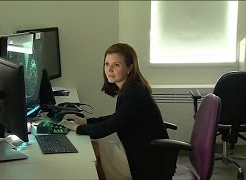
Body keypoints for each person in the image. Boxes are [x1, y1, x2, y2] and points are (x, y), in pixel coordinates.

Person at [61, 43, 174, 179]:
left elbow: (107, 128)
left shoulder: (134, 94)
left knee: (91, 152)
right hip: (136, 149)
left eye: (116, 65)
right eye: (107, 64)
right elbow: (116, 118)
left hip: (146, 159)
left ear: (130, 67)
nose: (109, 70)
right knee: (92, 151)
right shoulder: (130, 89)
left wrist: (77, 127)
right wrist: (86, 121)